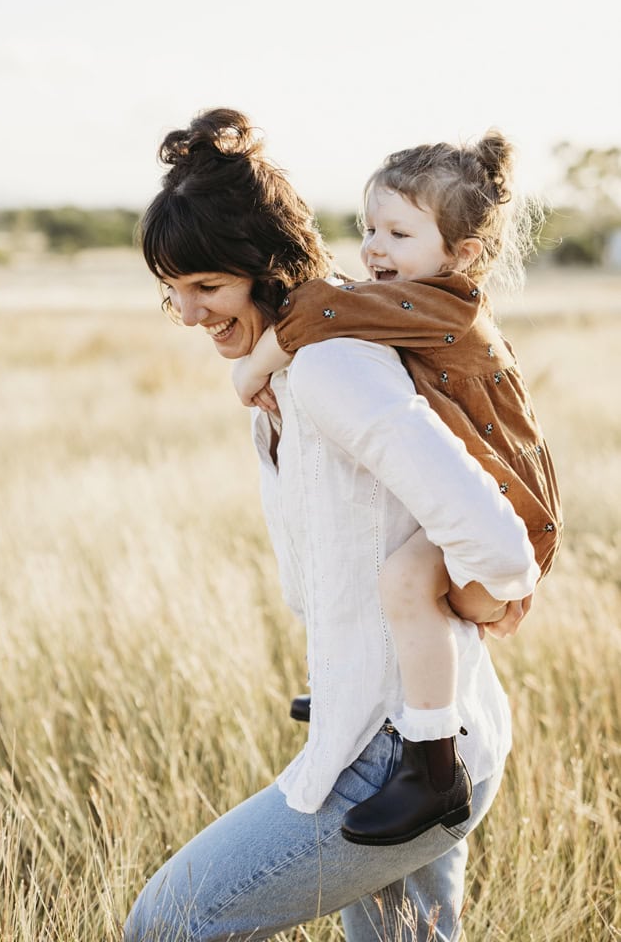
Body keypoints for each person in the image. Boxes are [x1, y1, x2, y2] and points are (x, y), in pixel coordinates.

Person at [123, 109, 541, 942]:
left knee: (166, 923)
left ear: (262, 268)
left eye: (207, 287)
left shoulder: (332, 370)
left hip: (402, 758)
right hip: (420, 732)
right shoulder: (290, 369)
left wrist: (489, 593)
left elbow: (497, 545)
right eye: (174, 295)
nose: (192, 313)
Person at [231, 132, 562, 847]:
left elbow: (320, 308)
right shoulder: (420, 300)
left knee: (404, 579)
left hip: (513, 515)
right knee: (391, 555)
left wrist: (249, 370)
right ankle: (354, 686)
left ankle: (431, 762)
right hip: (499, 501)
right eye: (369, 228)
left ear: (461, 254)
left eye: (399, 233)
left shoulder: (443, 307)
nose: (374, 247)